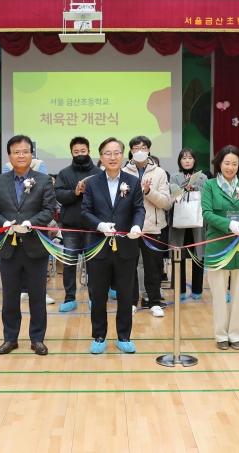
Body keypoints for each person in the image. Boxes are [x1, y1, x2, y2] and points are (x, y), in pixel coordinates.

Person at [0, 135, 57, 356]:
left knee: (37, 297)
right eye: (16, 152)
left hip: (35, 247)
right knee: (10, 297)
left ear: (31, 154)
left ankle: (37, 339)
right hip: (9, 248)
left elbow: (49, 209)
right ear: (9, 156)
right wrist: (4, 223)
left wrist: (31, 223)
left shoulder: (43, 180)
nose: (21, 155)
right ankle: (10, 338)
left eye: (25, 151)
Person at [81, 137, 145, 354]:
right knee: (98, 295)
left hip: (126, 247)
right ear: (100, 157)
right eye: (107, 153)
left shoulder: (133, 181)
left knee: (126, 295)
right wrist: (99, 225)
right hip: (98, 247)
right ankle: (99, 336)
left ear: (123, 155)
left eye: (117, 152)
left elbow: (138, 209)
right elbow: (85, 211)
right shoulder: (92, 183)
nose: (112, 157)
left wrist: (137, 226)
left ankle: (124, 336)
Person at [201, 145, 239, 350]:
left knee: (238, 291)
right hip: (218, 244)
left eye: (234, 164)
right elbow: (206, 213)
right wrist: (228, 224)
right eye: (227, 163)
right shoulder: (209, 185)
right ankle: (221, 335)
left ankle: (236, 334)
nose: (230, 167)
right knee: (218, 294)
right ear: (219, 163)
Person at [122, 135, 172, 317]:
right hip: (131, 227)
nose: (139, 151)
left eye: (143, 148)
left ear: (149, 150)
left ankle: (154, 302)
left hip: (153, 227)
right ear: (131, 151)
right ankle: (132, 301)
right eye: (135, 148)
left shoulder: (159, 173)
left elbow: (166, 203)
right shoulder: (123, 172)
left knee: (153, 266)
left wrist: (148, 192)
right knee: (130, 266)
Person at [55, 136, 102, 312]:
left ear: (89, 151)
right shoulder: (64, 173)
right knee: (69, 263)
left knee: (93, 264)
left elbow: (104, 198)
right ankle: (69, 298)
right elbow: (58, 195)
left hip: (92, 226)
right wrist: (74, 193)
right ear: (71, 153)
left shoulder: (99, 173)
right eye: (76, 152)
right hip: (70, 225)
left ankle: (94, 297)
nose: (80, 154)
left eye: (83, 151)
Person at [169, 148, 208, 300]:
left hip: (197, 220)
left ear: (194, 160)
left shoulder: (202, 177)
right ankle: (179, 289)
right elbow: (171, 194)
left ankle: (198, 290)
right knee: (178, 254)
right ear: (179, 160)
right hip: (179, 220)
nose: (187, 160)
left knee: (198, 255)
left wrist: (194, 187)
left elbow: (206, 194)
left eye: (190, 158)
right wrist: (183, 188)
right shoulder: (174, 176)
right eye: (184, 158)